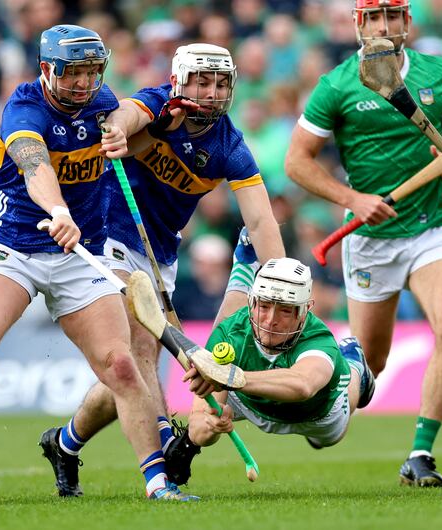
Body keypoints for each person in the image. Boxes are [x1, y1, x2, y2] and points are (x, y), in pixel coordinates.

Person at [0, 25, 210, 502]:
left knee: (121, 366)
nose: (83, 83)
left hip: (81, 253)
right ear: (46, 70)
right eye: (72, 72)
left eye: (91, 72)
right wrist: (58, 210)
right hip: (16, 243)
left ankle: (158, 484)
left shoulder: (101, 103)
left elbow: (139, 112)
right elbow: (36, 167)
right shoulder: (23, 108)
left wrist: (137, 129)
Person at [39, 43, 285, 497]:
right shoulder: (158, 104)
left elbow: (260, 220)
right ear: (180, 80)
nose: (211, 93)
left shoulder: (229, 143)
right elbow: (126, 115)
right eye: (202, 81)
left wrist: (281, 283)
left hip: (160, 254)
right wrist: (116, 131)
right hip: (107, 234)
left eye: (220, 84)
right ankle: (163, 457)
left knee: (128, 372)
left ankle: (65, 442)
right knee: (139, 352)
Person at [284, 0, 442, 487]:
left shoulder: (438, 73)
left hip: (432, 225)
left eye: (392, 16)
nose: (383, 26)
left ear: (407, 23)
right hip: (369, 239)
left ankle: (421, 455)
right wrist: (352, 198)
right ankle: (325, 414)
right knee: (371, 364)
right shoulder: (337, 85)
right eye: (373, 17)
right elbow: (297, 162)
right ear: (357, 24)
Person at [165, 256, 376, 486]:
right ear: (252, 302)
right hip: (246, 400)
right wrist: (210, 426)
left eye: (285, 311)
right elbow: (200, 423)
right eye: (264, 306)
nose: (270, 320)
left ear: (303, 312)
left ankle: (356, 365)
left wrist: (232, 378)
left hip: (317, 414)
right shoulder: (229, 334)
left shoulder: (318, 338)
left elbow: (302, 385)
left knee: (332, 432)